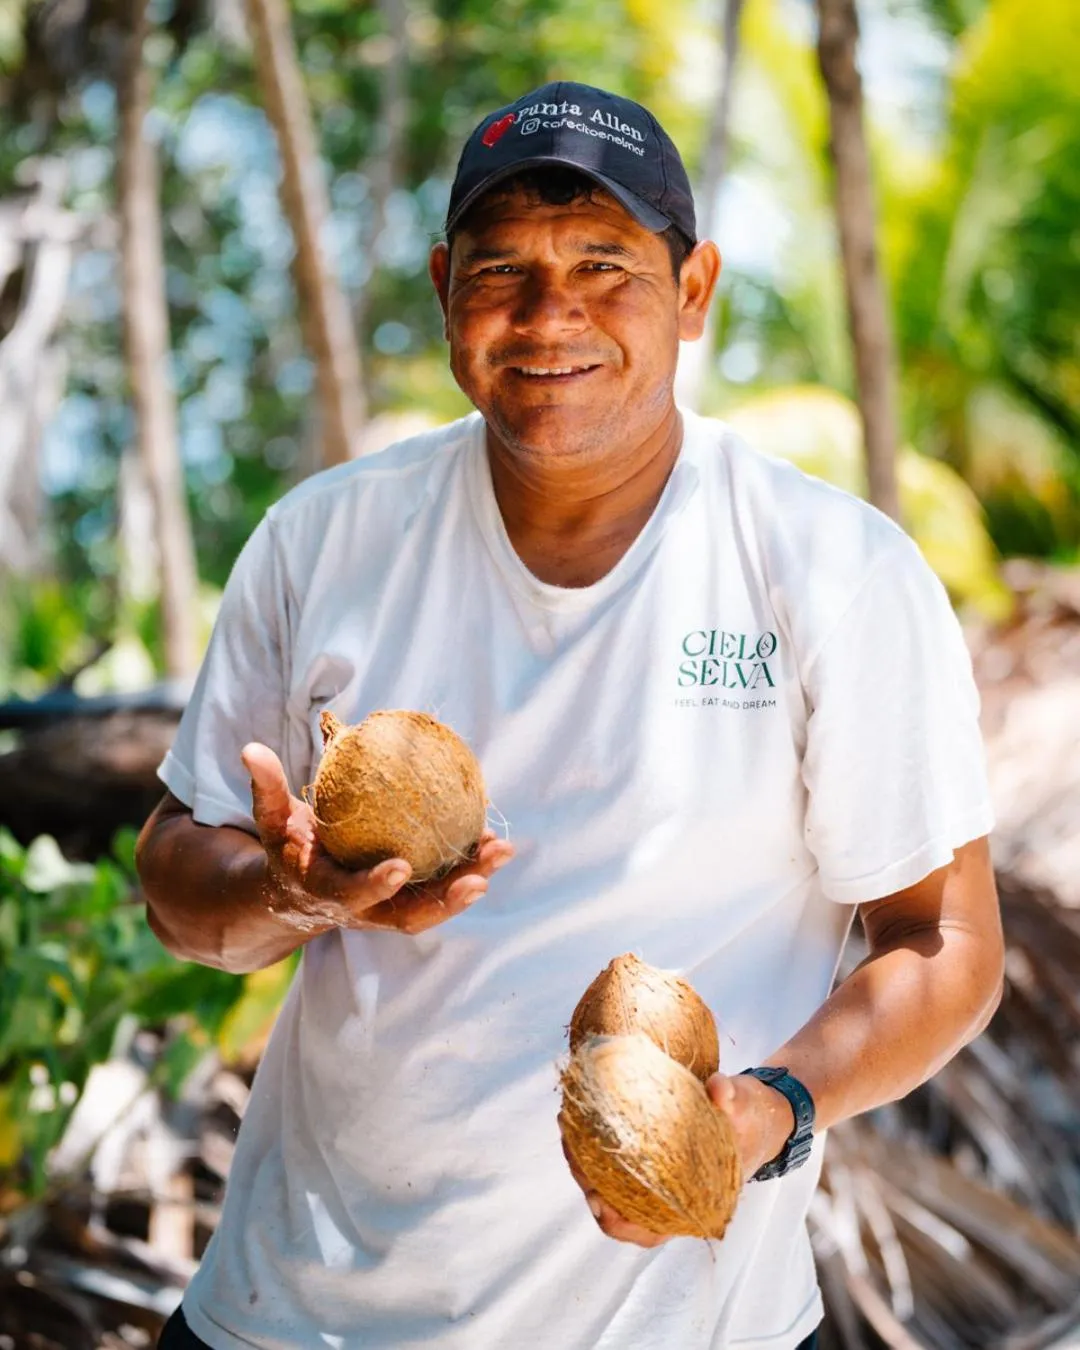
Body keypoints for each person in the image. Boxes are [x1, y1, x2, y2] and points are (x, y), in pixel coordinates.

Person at [137, 80, 1003, 1350]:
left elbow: (945, 944)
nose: (551, 316)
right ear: (444, 288)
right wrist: (296, 893)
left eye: (605, 265)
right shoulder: (325, 537)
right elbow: (175, 882)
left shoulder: (832, 570)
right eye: (503, 271)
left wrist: (773, 1106)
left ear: (693, 289)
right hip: (299, 1316)